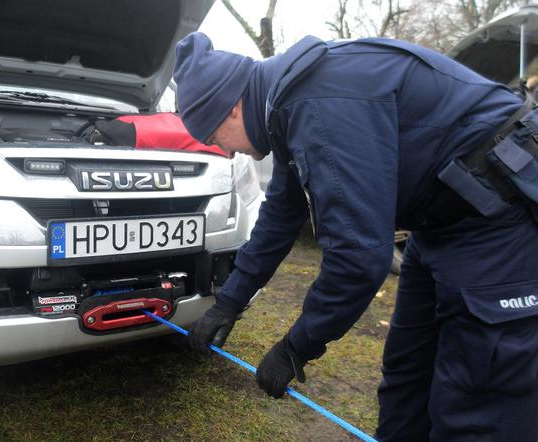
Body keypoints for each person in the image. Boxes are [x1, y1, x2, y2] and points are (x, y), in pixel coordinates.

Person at [172, 32, 538, 441]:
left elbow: (358, 258)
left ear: (233, 107)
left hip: (501, 219)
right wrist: (229, 303)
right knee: (406, 372)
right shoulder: (286, 108)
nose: (225, 151)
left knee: (478, 396)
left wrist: (297, 346)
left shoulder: (320, 104)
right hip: (438, 224)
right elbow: (280, 215)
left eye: (212, 137)